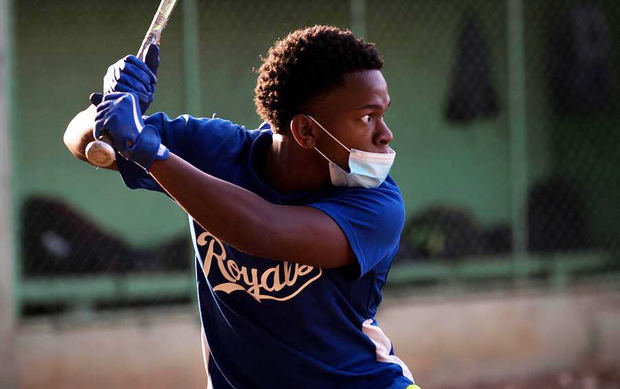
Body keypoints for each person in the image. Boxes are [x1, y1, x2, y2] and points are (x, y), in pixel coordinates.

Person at [64, 25, 419, 389]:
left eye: (382, 114)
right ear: (306, 132)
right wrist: (110, 112)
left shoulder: (378, 203)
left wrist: (151, 152)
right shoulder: (216, 152)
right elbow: (79, 138)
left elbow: (264, 230)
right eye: (366, 117)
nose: (385, 133)